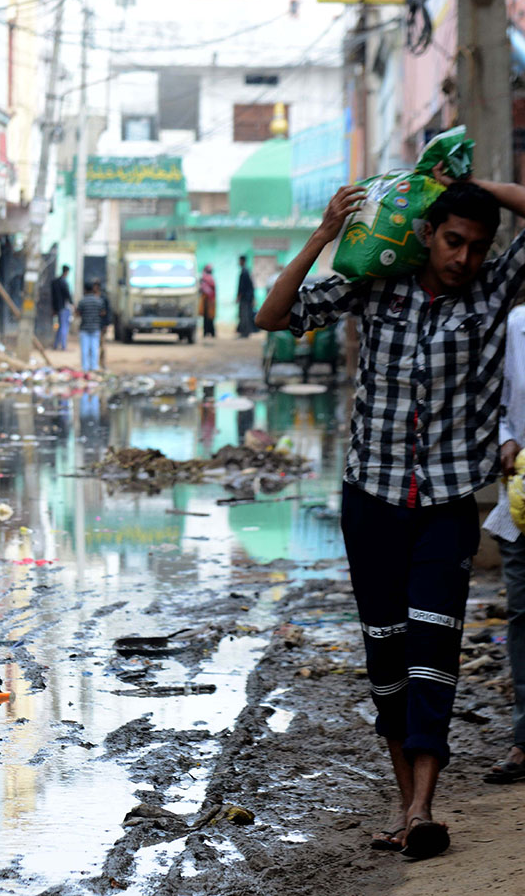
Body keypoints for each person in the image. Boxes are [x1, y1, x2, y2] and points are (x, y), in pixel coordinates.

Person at [257, 172, 525, 860]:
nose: (463, 259)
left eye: (476, 246)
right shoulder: (377, 283)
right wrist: (322, 234)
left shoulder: (494, 291)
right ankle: (408, 805)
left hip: (446, 505)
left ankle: (422, 808)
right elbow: (274, 315)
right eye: (453, 241)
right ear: (427, 235)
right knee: (387, 656)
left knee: (436, 653)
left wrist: (475, 185)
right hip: (370, 501)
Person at [483, 304, 525, 787]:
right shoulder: (515, 324)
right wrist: (506, 438)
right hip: (520, 496)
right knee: (523, 612)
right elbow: (495, 400)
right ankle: (524, 739)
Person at [77, 279, 108, 373]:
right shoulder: (98, 301)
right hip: (95, 327)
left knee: (84, 349)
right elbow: (103, 312)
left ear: (85, 289)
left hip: (84, 328)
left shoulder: (82, 301)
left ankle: (85, 368)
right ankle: (94, 367)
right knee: (94, 348)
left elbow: (78, 313)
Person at [52, 264, 74, 349]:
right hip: (64, 307)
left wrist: (54, 308)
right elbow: (67, 295)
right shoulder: (64, 282)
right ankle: (63, 346)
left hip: (57, 307)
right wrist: (72, 304)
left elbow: (53, 297)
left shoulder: (55, 282)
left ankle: (56, 344)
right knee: (64, 327)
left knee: (60, 326)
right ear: (67, 272)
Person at [236, 255, 256, 337]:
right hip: (247, 297)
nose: (239, 263)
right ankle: (244, 332)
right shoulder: (246, 271)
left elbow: (243, 287)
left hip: (245, 298)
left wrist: (239, 296)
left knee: (244, 315)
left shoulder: (245, 272)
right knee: (245, 314)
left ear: (243, 261)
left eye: (240, 261)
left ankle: (245, 333)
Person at [200, 264, 217, 339]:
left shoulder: (205, 279)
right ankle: (209, 332)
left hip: (208, 302)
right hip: (209, 302)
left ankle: (208, 332)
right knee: (209, 318)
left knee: (208, 318)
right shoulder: (210, 279)